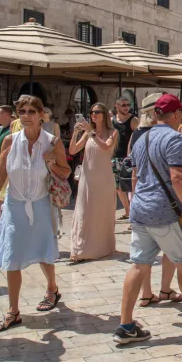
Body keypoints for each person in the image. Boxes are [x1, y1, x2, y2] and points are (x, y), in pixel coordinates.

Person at [117, 94, 182, 343]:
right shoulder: (175, 139)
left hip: (140, 208)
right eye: (181, 113)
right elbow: (179, 180)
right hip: (165, 212)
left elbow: (137, 174)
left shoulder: (143, 138)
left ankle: (125, 325)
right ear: (174, 115)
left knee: (139, 264)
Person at [0, 95, 70, 332]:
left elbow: (65, 172)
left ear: (41, 114)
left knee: (44, 251)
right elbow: (1, 173)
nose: (26, 116)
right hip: (15, 204)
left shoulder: (52, 142)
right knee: (12, 256)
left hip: (41, 203)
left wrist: (53, 165)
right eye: (22, 111)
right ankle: (13, 311)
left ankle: (52, 289)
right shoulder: (10, 141)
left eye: (32, 111)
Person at [69, 102, 118, 262]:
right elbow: (73, 150)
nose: (93, 114)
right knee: (84, 211)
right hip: (87, 178)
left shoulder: (112, 132)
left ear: (104, 114)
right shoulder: (88, 133)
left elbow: (105, 147)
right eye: (91, 112)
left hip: (104, 179)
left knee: (101, 213)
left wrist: (91, 133)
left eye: (97, 111)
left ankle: (101, 247)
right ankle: (81, 249)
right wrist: (76, 133)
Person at [112, 97, 139, 218]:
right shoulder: (112, 121)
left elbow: (138, 139)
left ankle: (134, 214)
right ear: (116, 106)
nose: (126, 107)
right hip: (114, 157)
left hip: (128, 158)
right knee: (118, 187)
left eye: (128, 105)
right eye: (123, 105)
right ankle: (127, 211)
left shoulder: (133, 120)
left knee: (131, 186)